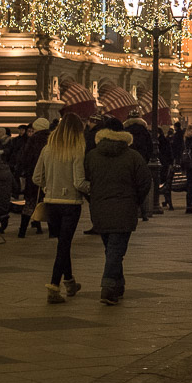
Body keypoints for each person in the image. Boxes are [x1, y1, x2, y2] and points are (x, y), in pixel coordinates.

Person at [85, 117, 151, 305]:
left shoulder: (92, 156)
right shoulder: (133, 156)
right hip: (124, 208)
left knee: (111, 249)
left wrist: (93, 199)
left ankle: (118, 284)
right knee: (115, 250)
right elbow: (145, 181)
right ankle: (107, 287)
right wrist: (135, 200)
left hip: (99, 209)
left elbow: (86, 181)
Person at [32, 112, 89, 304]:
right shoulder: (77, 149)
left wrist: (49, 188)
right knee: (63, 245)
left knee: (62, 244)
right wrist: (93, 188)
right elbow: (79, 182)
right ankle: (54, 286)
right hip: (70, 205)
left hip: (51, 203)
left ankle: (70, 281)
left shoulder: (48, 149)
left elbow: (36, 178)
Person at [17, 118, 50, 237]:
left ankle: (22, 231)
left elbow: (25, 158)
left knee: (30, 203)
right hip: (49, 176)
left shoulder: (33, 140)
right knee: (48, 202)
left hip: (34, 176)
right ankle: (52, 231)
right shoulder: (53, 139)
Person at [122, 115, 155, 222]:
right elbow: (150, 147)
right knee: (141, 186)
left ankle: (131, 211)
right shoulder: (144, 131)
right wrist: (145, 159)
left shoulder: (126, 130)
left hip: (128, 162)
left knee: (129, 187)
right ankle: (143, 212)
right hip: (142, 162)